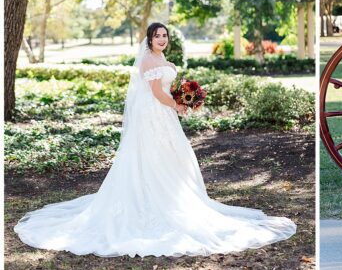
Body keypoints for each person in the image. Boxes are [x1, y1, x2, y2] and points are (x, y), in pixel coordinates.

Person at [14, 23, 295, 257]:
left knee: (174, 157)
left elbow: (167, 90)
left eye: (165, 36)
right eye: (157, 35)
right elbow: (158, 94)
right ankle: (151, 200)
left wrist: (184, 96)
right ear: (149, 39)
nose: (162, 39)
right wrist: (178, 105)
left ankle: (173, 196)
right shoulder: (149, 60)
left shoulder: (161, 60)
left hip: (163, 114)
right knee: (154, 157)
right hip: (153, 115)